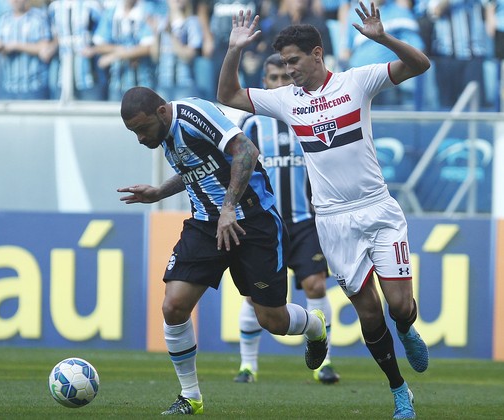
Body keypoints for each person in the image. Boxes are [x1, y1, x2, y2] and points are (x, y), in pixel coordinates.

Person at [217, 5, 430, 419]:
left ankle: (406, 328)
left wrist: (382, 38)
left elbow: (419, 64)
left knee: (400, 305)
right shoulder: (286, 101)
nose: (289, 69)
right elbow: (227, 95)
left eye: (295, 61)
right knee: (368, 311)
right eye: (284, 63)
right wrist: (234, 50)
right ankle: (399, 390)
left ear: (317, 54)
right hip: (332, 221)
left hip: (378, 209)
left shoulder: (357, 82)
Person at [118, 86, 328, 415]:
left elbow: (246, 150)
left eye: (143, 129)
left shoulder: (193, 115)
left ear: (161, 112)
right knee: (173, 306)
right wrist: (160, 192)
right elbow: (195, 169)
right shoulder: (166, 134)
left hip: (253, 222)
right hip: (205, 225)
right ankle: (191, 396)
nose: (141, 138)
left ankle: (315, 326)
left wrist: (229, 206)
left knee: (272, 320)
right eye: (133, 133)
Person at [233, 53, 339, 386]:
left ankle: (324, 362)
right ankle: (248, 366)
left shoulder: (307, 115)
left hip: (305, 219)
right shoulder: (250, 124)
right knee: (254, 296)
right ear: (264, 83)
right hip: (265, 223)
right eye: (273, 78)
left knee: (315, 285)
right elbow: (236, 170)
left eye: (284, 78)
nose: (279, 83)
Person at [0, 0, 55, 100]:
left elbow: (45, 47)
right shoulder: (4, 20)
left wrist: (17, 46)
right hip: (9, 87)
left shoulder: (39, 17)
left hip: (34, 86)